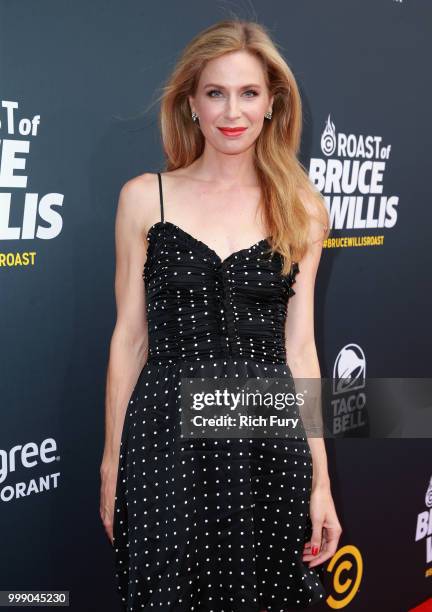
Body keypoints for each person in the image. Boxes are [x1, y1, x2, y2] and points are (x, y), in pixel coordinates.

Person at [100, 18, 342, 612]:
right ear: (191, 104)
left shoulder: (303, 210)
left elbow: (301, 348)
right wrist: (112, 463)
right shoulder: (144, 198)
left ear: (272, 105)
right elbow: (129, 339)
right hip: (163, 439)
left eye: (249, 92)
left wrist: (321, 481)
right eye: (215, 92)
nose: (232, 111)